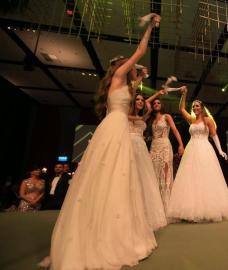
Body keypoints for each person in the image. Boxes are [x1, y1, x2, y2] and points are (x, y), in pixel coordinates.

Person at [47, 14, 161, 270]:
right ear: (121, 65)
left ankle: (110, 224)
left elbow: (134, 87)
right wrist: (150, 29)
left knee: (115, 176)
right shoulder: (120, 74)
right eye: (129, 63)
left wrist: (140, 77)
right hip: (114, 129)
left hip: (116, 127)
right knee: (111, 173)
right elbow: (140, 51)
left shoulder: (123, 83)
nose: (133, 65)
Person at [167, 86, 228, 222]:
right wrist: (184, 95)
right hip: (192, 149)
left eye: (197, 106)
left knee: (205, 176)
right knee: (191, 178)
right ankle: (192, 208)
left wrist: (220, 150)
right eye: (194, 106)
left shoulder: (207, 120)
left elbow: (214, 136)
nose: (195, 108)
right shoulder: (192, 120)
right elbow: (181, 109)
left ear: (201, 108)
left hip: (204, 149)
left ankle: (208, 208)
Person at [128, 89, 167, 230]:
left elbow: (148, 104)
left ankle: (141, 213)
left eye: (141, 100)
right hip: (129, 145)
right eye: (137, 99)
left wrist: (158, 93)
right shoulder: (126, 114)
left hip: (141, 148)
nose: (140, 102)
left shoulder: (143, 117)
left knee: (142, 179)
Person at [147, 92, 184, 214]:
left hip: (165, 146)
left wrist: (180, 144)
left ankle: (167, 208)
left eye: (158, 103)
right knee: (154, 175)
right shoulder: (151, 119)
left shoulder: (166, 116)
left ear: (162, 105)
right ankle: (155, 207)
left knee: (166, 175)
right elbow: (147, 102)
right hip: (154, 147)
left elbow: (174, 130)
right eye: (154, 103)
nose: (156, 104)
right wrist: (157, 93)